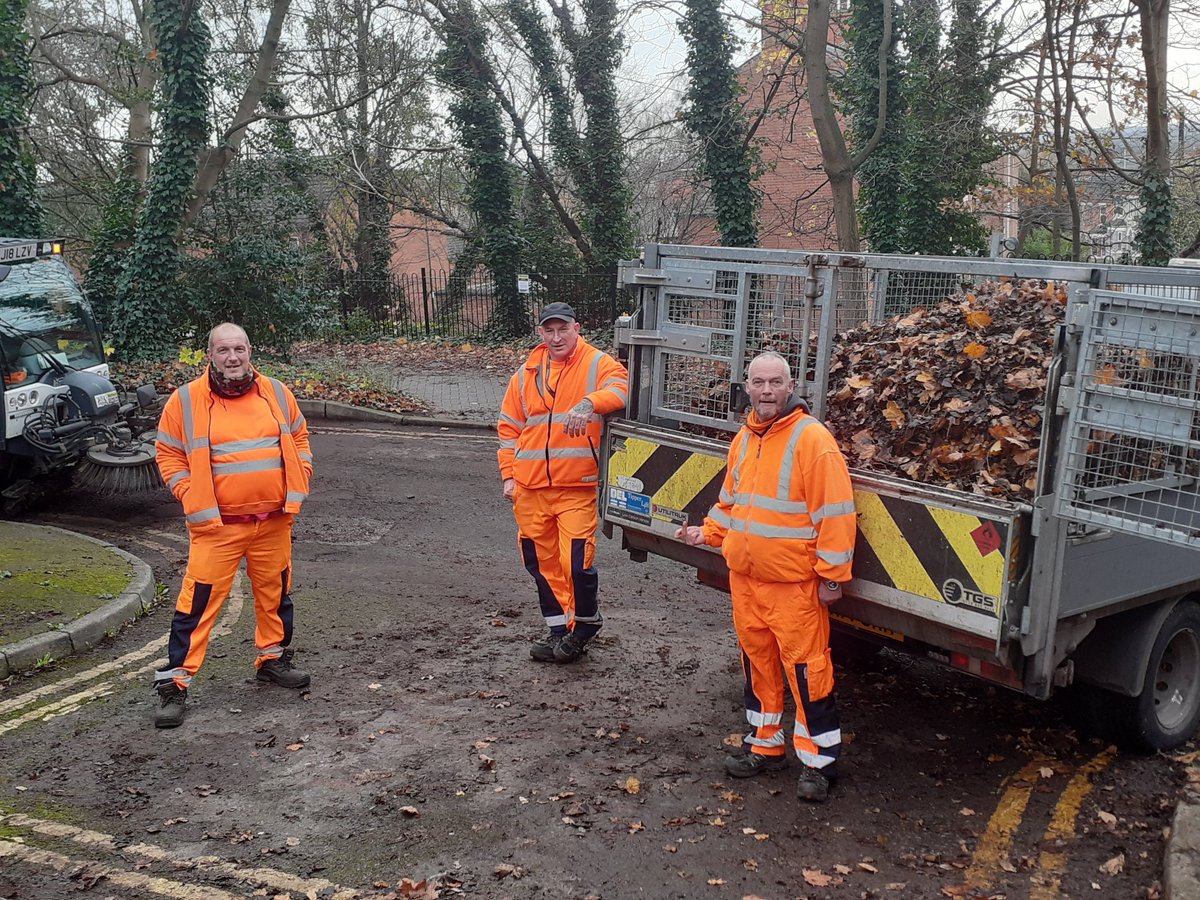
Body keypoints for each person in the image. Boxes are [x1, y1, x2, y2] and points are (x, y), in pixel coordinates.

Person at [676, 351, 855, 802]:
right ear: (747, 386)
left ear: (790, 386)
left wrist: (832, 577)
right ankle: (765, 744)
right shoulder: (745, 438)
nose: (767, 391)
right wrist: (709, 531)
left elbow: (836, 513)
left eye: (775, 382)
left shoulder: (812, 440)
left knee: (806, 672)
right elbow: (731, 500)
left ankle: (818, 765)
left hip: (793, 585)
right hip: (747, 580)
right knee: (758, 667)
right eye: (759, 382)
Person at [152, 322, 314, 728]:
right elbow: (168, 454)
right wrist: (189, 494)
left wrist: (303, 473)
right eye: (224, 350)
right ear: (210, 354)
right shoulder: (185, 400)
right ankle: (174, 685)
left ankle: (272, 660)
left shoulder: (277, 393)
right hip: (217, 528)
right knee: (197, 605)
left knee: (275, 595)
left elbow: (299, 438)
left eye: (239, 349)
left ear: (250, 351)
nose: (233, 357)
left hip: (274, 522)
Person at [497, 301, 629, 663]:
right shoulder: (526, 373)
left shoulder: (597, 363)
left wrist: (589, 403)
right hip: (530, 487)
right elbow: (509, 429)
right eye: (549, 330)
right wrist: (509, 475)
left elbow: (621, 388)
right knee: (541, 565)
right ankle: (560, 629)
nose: (556, 337)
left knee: (575, 562)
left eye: (563, 329)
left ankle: (585, 624)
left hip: (576, 487)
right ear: (540, 333)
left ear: (577, 328)